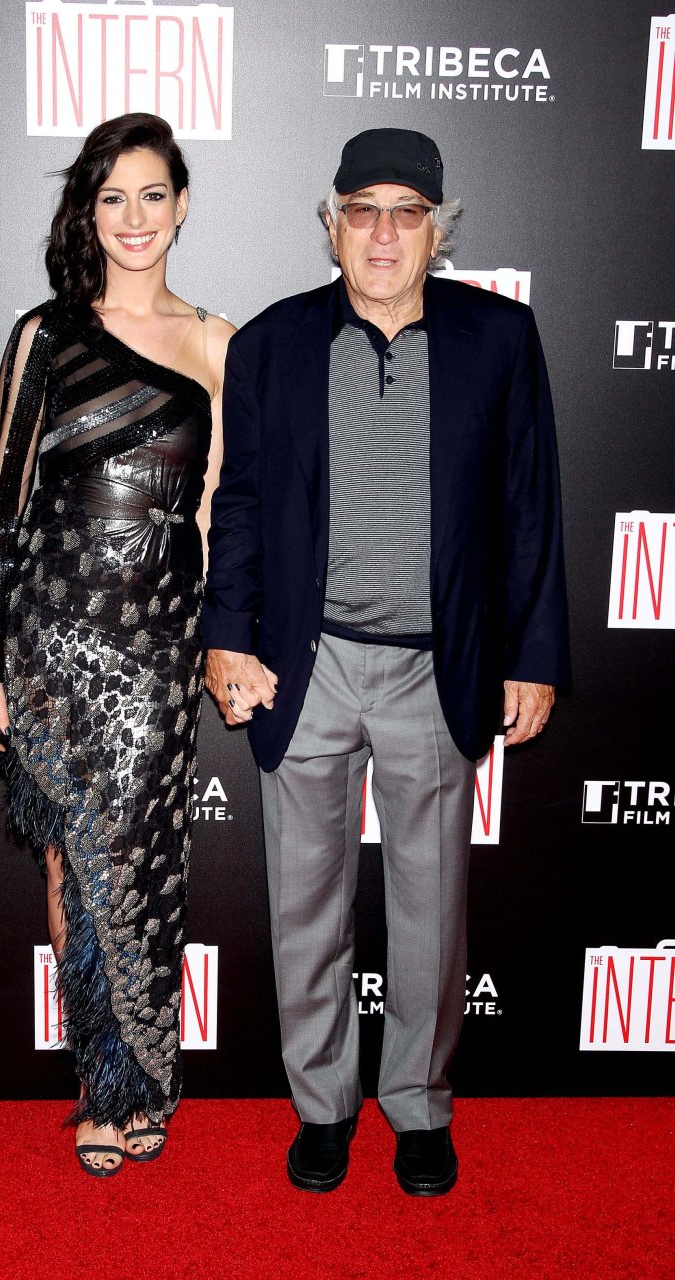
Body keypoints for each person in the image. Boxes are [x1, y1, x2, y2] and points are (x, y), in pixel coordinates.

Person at [203, 127, 569, 1196]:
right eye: (360, 210)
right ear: (331, 224)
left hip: (436, 668)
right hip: (303, 667)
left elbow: (530, 506)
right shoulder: (270, 343)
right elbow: (240, 504)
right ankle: (322, 1106)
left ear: (436, 232)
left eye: (406, 213)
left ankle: (416, 1104)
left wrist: (532, 654)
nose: (380, 233)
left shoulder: (499, 337)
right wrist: (226, 636)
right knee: (304, 906)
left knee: (429, 909)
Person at [0, 112, 234, 1177]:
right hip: (51, 643)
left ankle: (148, 1078)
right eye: (111, 197)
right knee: (74, 865)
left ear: (181, 204)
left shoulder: (219, 343)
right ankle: (100, 1087)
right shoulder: (46, 333)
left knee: (150, 868)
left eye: (152, 194)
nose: (133, 217)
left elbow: (217, 512)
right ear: (89, 210)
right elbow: (0, 507)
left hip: (161, 650)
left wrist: (219, 641)